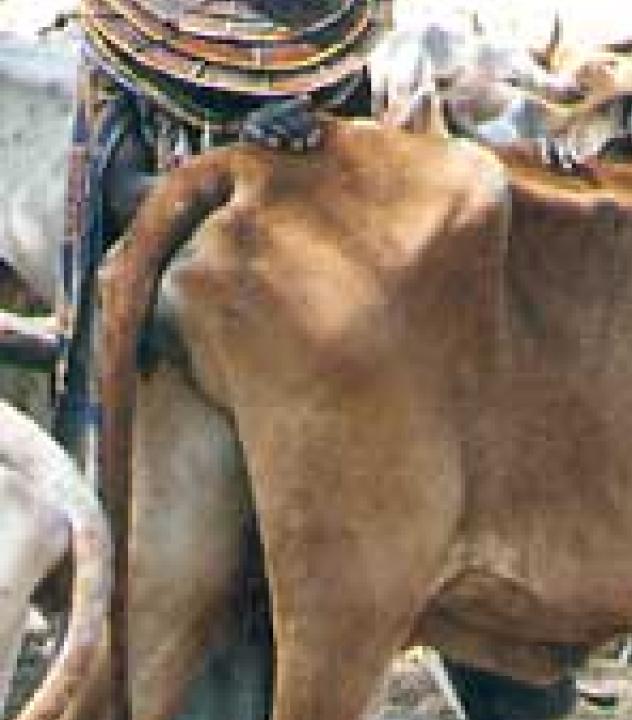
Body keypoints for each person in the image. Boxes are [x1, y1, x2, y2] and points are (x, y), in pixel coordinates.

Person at [59, 2, 578, 718]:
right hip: (177, 367)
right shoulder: (121, 52)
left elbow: (398, 166)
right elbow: (119, 193)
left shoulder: (348, 56)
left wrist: (526, 175)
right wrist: (244, 176)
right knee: (191, 636)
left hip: (323, 358)